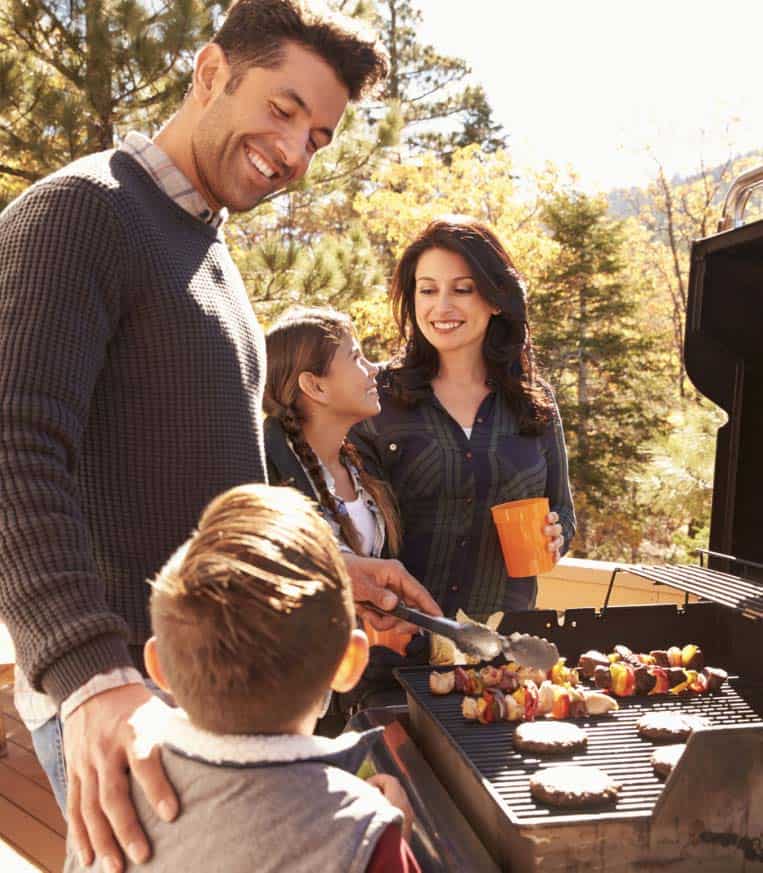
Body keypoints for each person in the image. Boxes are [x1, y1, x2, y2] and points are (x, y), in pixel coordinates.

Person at [0, 3, 434, 870]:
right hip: (124, 691)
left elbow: (190, 490)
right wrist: (87, 671)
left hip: (204, 691)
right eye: (282, 108)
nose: (295, 151)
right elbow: (13, 445)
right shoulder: (80, 213)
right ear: (209, 73)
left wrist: (324, 571)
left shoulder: (207, 254)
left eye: (318, 136)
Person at [63, 483, 422, 873]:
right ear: (350, 662)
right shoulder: (360, 831)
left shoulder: (107, 804)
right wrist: (386, 841)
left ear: (158, 667)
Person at [351, 216, 576, 620]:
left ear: (494, 299)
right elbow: (339, 524)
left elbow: (563, 515)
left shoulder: (534, 403)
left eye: (462, 290)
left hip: (500, 659)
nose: (442, 307)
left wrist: (555, 537)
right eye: (428, 290)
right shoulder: (374, 398)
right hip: (396, 650)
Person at [264, 307, 438, 722]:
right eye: (356, 358)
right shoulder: (264, 472)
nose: (373, 368)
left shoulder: (362, 466)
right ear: (315, 385)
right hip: (290, 702)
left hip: (357, 691)